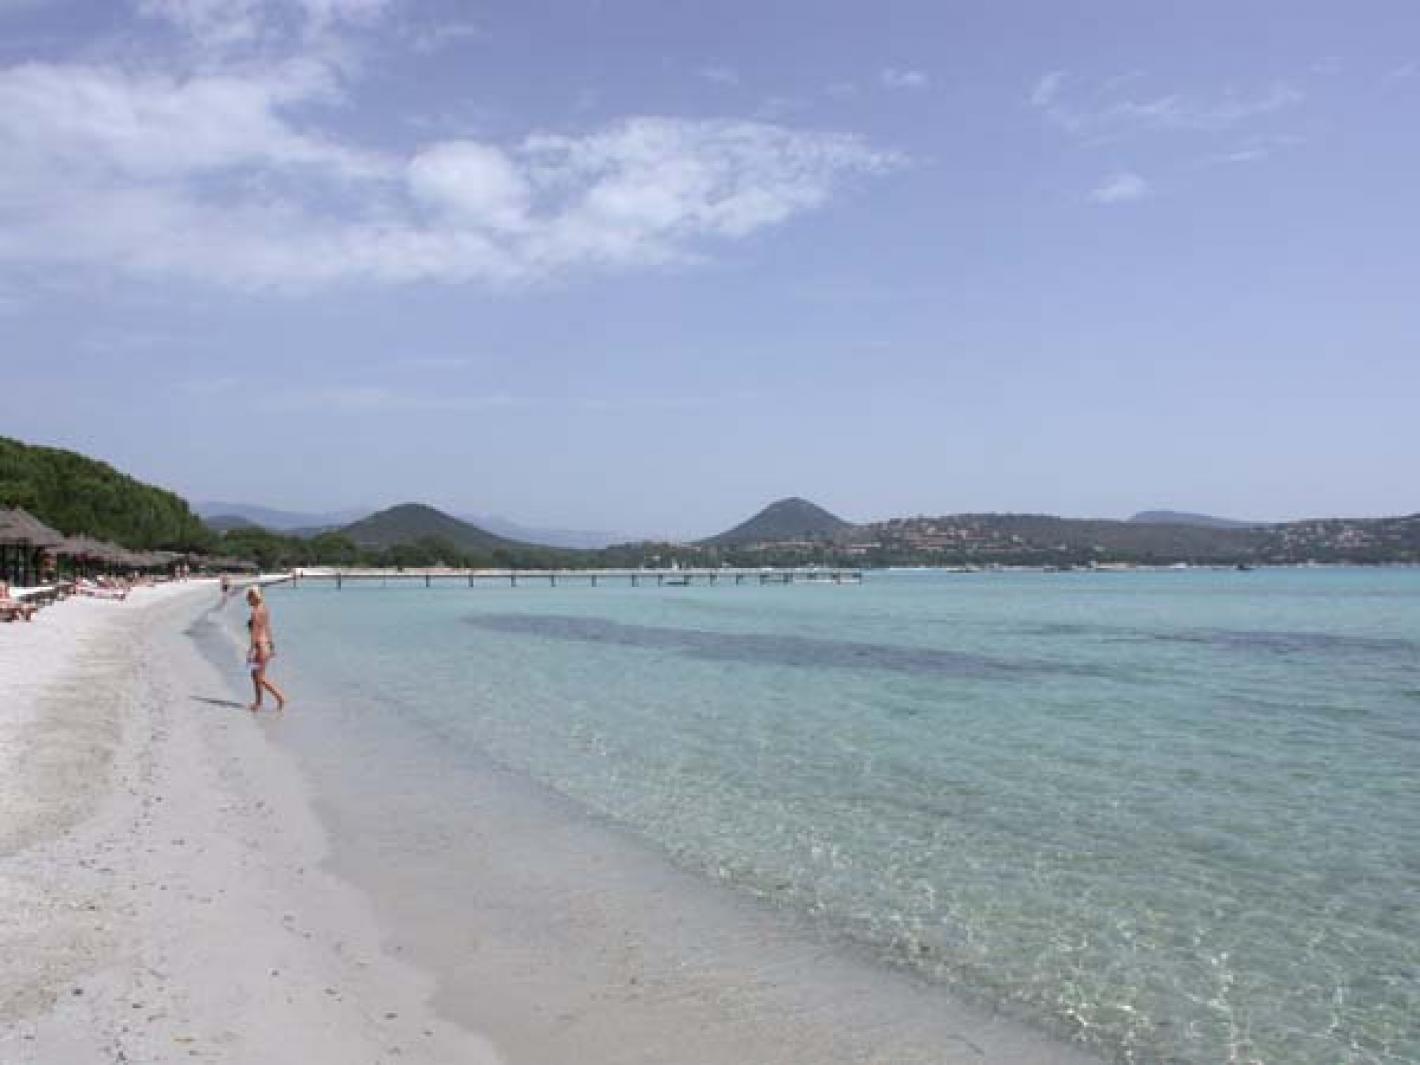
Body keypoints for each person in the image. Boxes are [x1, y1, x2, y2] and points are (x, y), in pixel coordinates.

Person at [245, 585, 287, 712]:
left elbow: (255, 633)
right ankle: (259, 703)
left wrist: (250, 650)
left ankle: (279, 697)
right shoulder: (264, 609)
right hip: (266, 646)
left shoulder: (256, 612)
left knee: (258, 676)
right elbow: (267, 628)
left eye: (249, 597)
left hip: (261, 648)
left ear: (254, 597)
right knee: (255, 674)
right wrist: (272, 645)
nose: (247, 600)